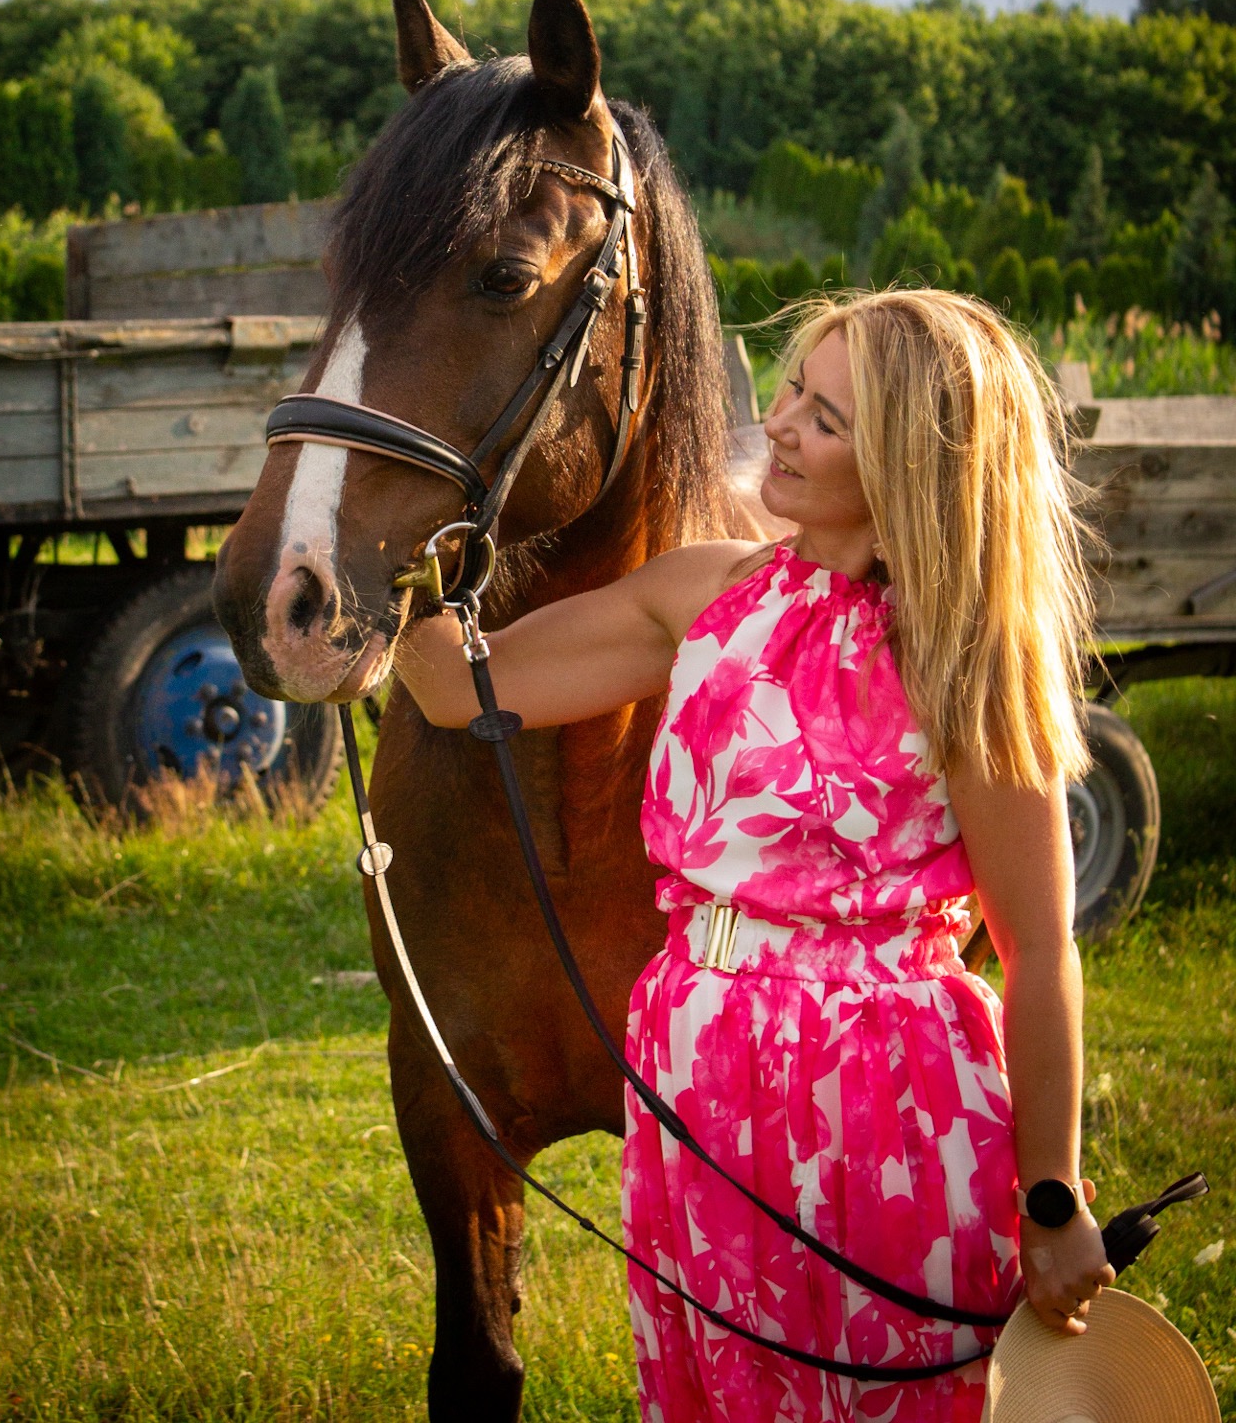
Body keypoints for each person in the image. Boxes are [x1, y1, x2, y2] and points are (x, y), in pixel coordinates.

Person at [397, 288, 1115, 1421]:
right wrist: (371, 536)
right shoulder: (704, 595)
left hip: (883, 1095)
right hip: (699, 1070)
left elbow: (1037, 949)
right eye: (788, 391)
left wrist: (1052, 1198)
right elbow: (457, 687)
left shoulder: (965, 669)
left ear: (907, 468)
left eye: (823, 419)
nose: (776, 424)